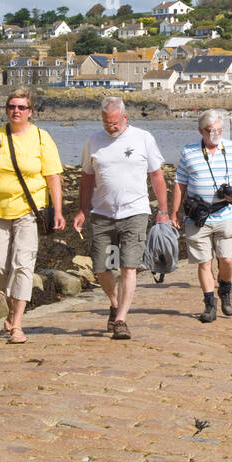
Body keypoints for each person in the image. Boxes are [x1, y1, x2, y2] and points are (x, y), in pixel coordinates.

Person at [0, 87, 65, 344]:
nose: (16, 111)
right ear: (6, 109)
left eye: (21, 107)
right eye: (12, 106)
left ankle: (18, 326)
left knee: (23, 264)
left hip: (29, 210)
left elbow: (53, 177)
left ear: (30, 112)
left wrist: (58, 210)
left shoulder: (41, 138)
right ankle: (13, 309)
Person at [73, 96, 169, 341]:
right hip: (102, 213)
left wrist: (164, 211)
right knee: (100, 267)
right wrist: (82, 211)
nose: (111, 127)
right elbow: (87, 178)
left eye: (115, 122)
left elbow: (156, 174)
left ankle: (121, 320)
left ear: (125, 117)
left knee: (128, 266)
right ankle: (115, 302)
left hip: (135, 211)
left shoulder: (143, 138)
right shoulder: (93, 141)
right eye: (106, 123)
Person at [171, 109, 232, 322]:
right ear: (200, 131)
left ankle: (225, 288)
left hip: (225, 213)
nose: (215, 135)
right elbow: (179, 184)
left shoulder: (231, 148)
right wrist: (173, 212)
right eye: (211, 131)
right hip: (197, 217)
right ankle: (209, 303)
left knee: (228, 260)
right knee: (204, 262)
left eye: (219, 131)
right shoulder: (188, 152)